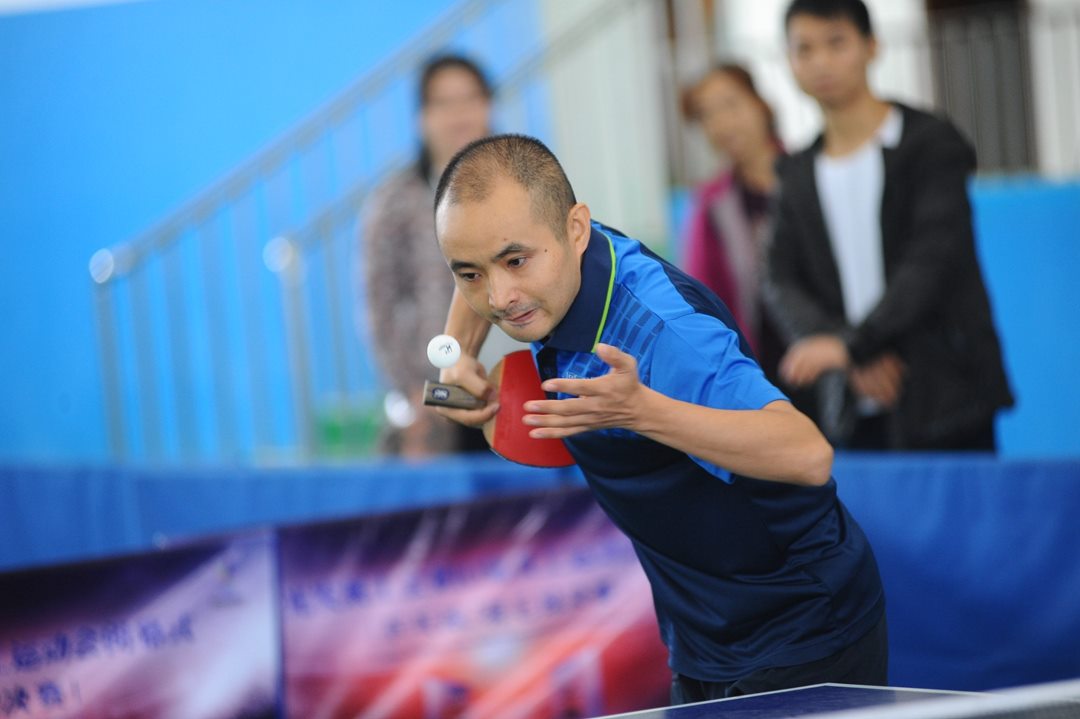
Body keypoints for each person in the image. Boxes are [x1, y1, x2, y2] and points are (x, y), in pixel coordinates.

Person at [432, 134, 887, 702]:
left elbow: (807, 455)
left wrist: (643, 411)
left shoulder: (663, 334)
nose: (500, 297)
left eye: (515, 262)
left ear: (576, 229)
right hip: (700, 634)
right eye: (471, 274)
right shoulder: (548, 262)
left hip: (802, 628)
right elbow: (484, 262)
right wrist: (457, 353)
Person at [765, 0, 1014, 450]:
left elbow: (931, 261)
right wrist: (845, 351)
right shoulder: (796, 172)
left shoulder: (930, 144)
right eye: (804, 49)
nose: (820, 61)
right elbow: (779, 277)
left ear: (871, 47)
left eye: (836, 42)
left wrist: (855, 346)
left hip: (945, 395)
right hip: (849, 403)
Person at [359, 54, 493, 458]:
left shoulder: (522, 188)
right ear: (422, 117)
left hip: (522, 385)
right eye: (444, 102)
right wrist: (413, 391)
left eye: (469, 98)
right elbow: (379, 305)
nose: (459, 113)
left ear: (488, 106)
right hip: (440, 397)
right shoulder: (394, 201)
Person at [681, 63, 786, 382]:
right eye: (707, 115)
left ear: (760, 104)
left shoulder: (809, 175)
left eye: (730, 104)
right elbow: (700, 297)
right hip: (760, 374)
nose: (721, 123)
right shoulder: (711, 205)